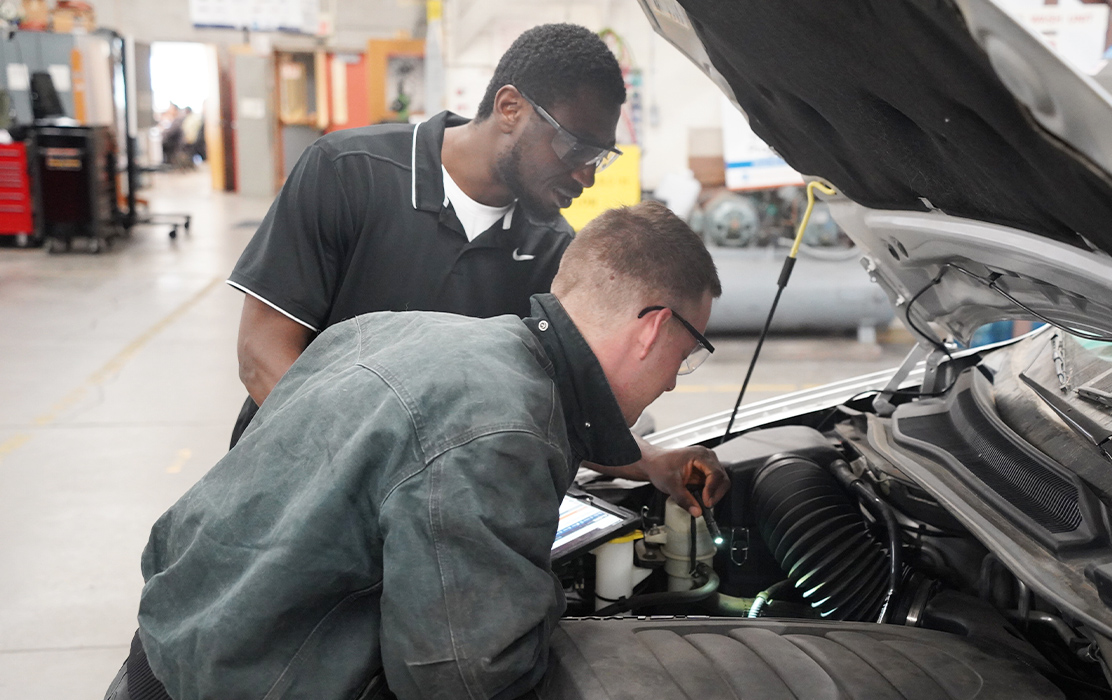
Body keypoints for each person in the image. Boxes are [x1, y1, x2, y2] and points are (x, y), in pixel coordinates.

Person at [105, 201, 723, 700]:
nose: (674, 377)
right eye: (689, 351)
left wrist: (644, 460)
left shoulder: (403, 330)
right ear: (652, 329)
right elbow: (462, 677)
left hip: (168, 651)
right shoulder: (504, 432)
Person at [227, 23, 723, 517]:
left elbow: (551, 407)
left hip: (411, 511)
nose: (587, 176)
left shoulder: (552, 250)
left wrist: (651, 460)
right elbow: (262, 353)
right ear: (511, 108)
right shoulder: (348, 172)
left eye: (600, 157)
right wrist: (371, 470)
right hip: (290, 488)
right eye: (576, 148)